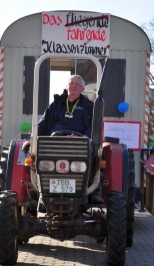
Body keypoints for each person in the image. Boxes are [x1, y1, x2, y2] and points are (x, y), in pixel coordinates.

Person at [25, 75, 102, 203]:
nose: (74, 86)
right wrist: (32, 138)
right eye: (71, 83)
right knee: (35, 149)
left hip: (80, 140)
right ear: (66, 87)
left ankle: (91, 188)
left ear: (82, 89)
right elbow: (43, 123)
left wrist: (81, 137)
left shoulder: (89, 106)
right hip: (54, 139)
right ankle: (37, 184)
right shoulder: (56, 105)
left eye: (77, 84)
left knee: (92, 150)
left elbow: (94, 127)